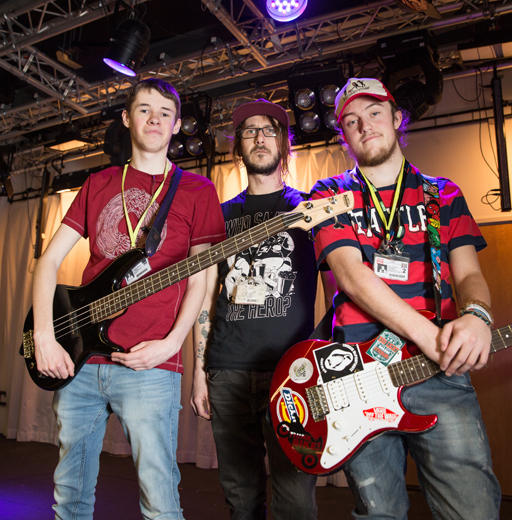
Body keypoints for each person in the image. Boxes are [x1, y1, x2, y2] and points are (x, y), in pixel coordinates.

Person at [31, 78, 226, 520]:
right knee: (69, 496)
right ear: (126, 118)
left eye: (164, 112)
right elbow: (48, 263)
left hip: (151, 363)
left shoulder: (198, 191)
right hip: (80, 361)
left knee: (160, 500)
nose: (154, 119)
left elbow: (201, 278)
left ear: (177, 126)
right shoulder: (98, 183)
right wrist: (45, 335)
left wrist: (174, 344)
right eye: (143, 109)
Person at [308, 78, 502, 519]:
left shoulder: (443, 193)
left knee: (471, 510)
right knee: (379, 513)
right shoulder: (327, 194)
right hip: (358, 376)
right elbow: (351, 277)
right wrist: (434, 337)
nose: (365, 125)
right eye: (351, 121)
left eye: (374, 113)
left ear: (397, 119)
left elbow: (469, 273)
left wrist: (476, 316)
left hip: (439, 376)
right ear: (344, 135)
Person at [190, 99, 335, 520]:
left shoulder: (309, 210)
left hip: (291, 372)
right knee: (241, 500)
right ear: (238, 147)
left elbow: (339, 292)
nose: (258, 138)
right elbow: (206, 298)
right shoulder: (220, 216)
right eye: (249, 131)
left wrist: (321, 360)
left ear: (285, 145)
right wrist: (199, 372)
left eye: (268, 130)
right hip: (227, 371)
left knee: (295, 503)